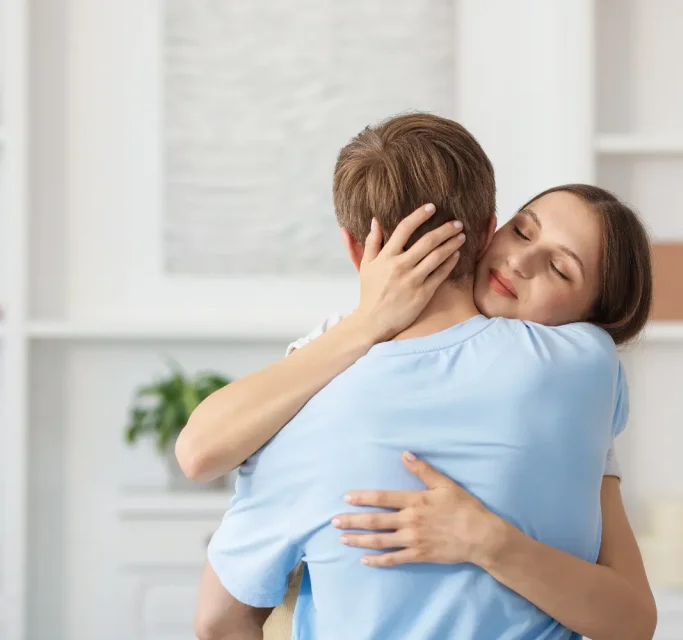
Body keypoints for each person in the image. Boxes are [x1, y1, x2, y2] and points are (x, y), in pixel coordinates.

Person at [183, 113, 656, 640]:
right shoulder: (589, 366)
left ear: (353, 247)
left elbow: (217, 615)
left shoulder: (309, 409)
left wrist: (489, 542)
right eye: (521, 230)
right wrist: (368, 324)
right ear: (487, 228)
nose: (521, 261)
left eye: (561, 269)